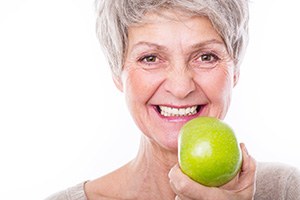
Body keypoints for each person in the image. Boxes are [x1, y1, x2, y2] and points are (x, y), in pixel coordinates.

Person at [46, 0, 300, 199]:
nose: (180, 88)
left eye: (206, 57)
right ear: (117, 73)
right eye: (151, 58)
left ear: (235, 70)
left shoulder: (287, 190)